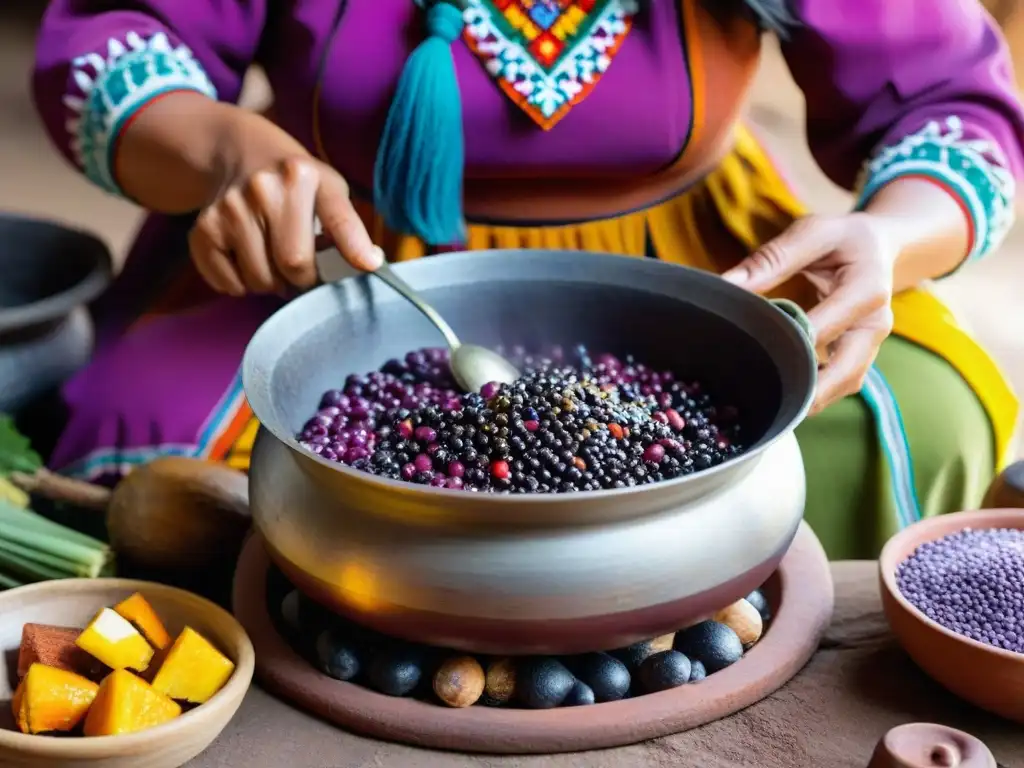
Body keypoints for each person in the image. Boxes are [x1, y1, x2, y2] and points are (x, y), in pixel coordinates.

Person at [32, 0, 1023, 559]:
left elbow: (951, 103)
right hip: (337, 254)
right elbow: (117, 44)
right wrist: (222, 154)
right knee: (136, 447)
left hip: (691, 263)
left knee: (919, 412)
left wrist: (890, 237)